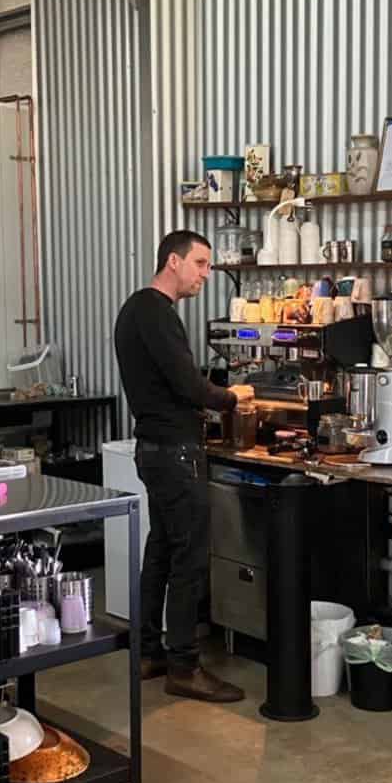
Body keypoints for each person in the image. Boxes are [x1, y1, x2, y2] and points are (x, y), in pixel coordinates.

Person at [114, 229, 253, 703]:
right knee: (189, 558)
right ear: (172, 261)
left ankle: (149, 652)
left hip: (154, 450)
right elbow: (190, 387)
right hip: (174, 452)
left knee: (161, 551)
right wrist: (234, 398)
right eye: (200, 263)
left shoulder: (137, 310)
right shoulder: (156, 314)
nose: (206, 275)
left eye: (210, 266)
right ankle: (185, 666)